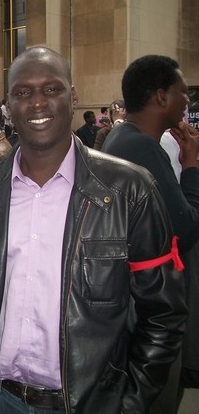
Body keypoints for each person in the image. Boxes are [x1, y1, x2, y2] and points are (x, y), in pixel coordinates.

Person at [0, 47, 187, 414]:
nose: (37, 103)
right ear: (9, 105)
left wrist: (130, 403)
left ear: (73, 96)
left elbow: (163, 314)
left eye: (52, 89)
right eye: (23, 93)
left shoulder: (130, 191)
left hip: (91, 403)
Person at [102, 55, 199, 414]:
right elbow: (184, 229)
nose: (187, 101)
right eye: (182, 92)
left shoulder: (123, 138)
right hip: (147, 315)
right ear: (161, 97)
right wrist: (192, 167)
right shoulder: (141, 148)